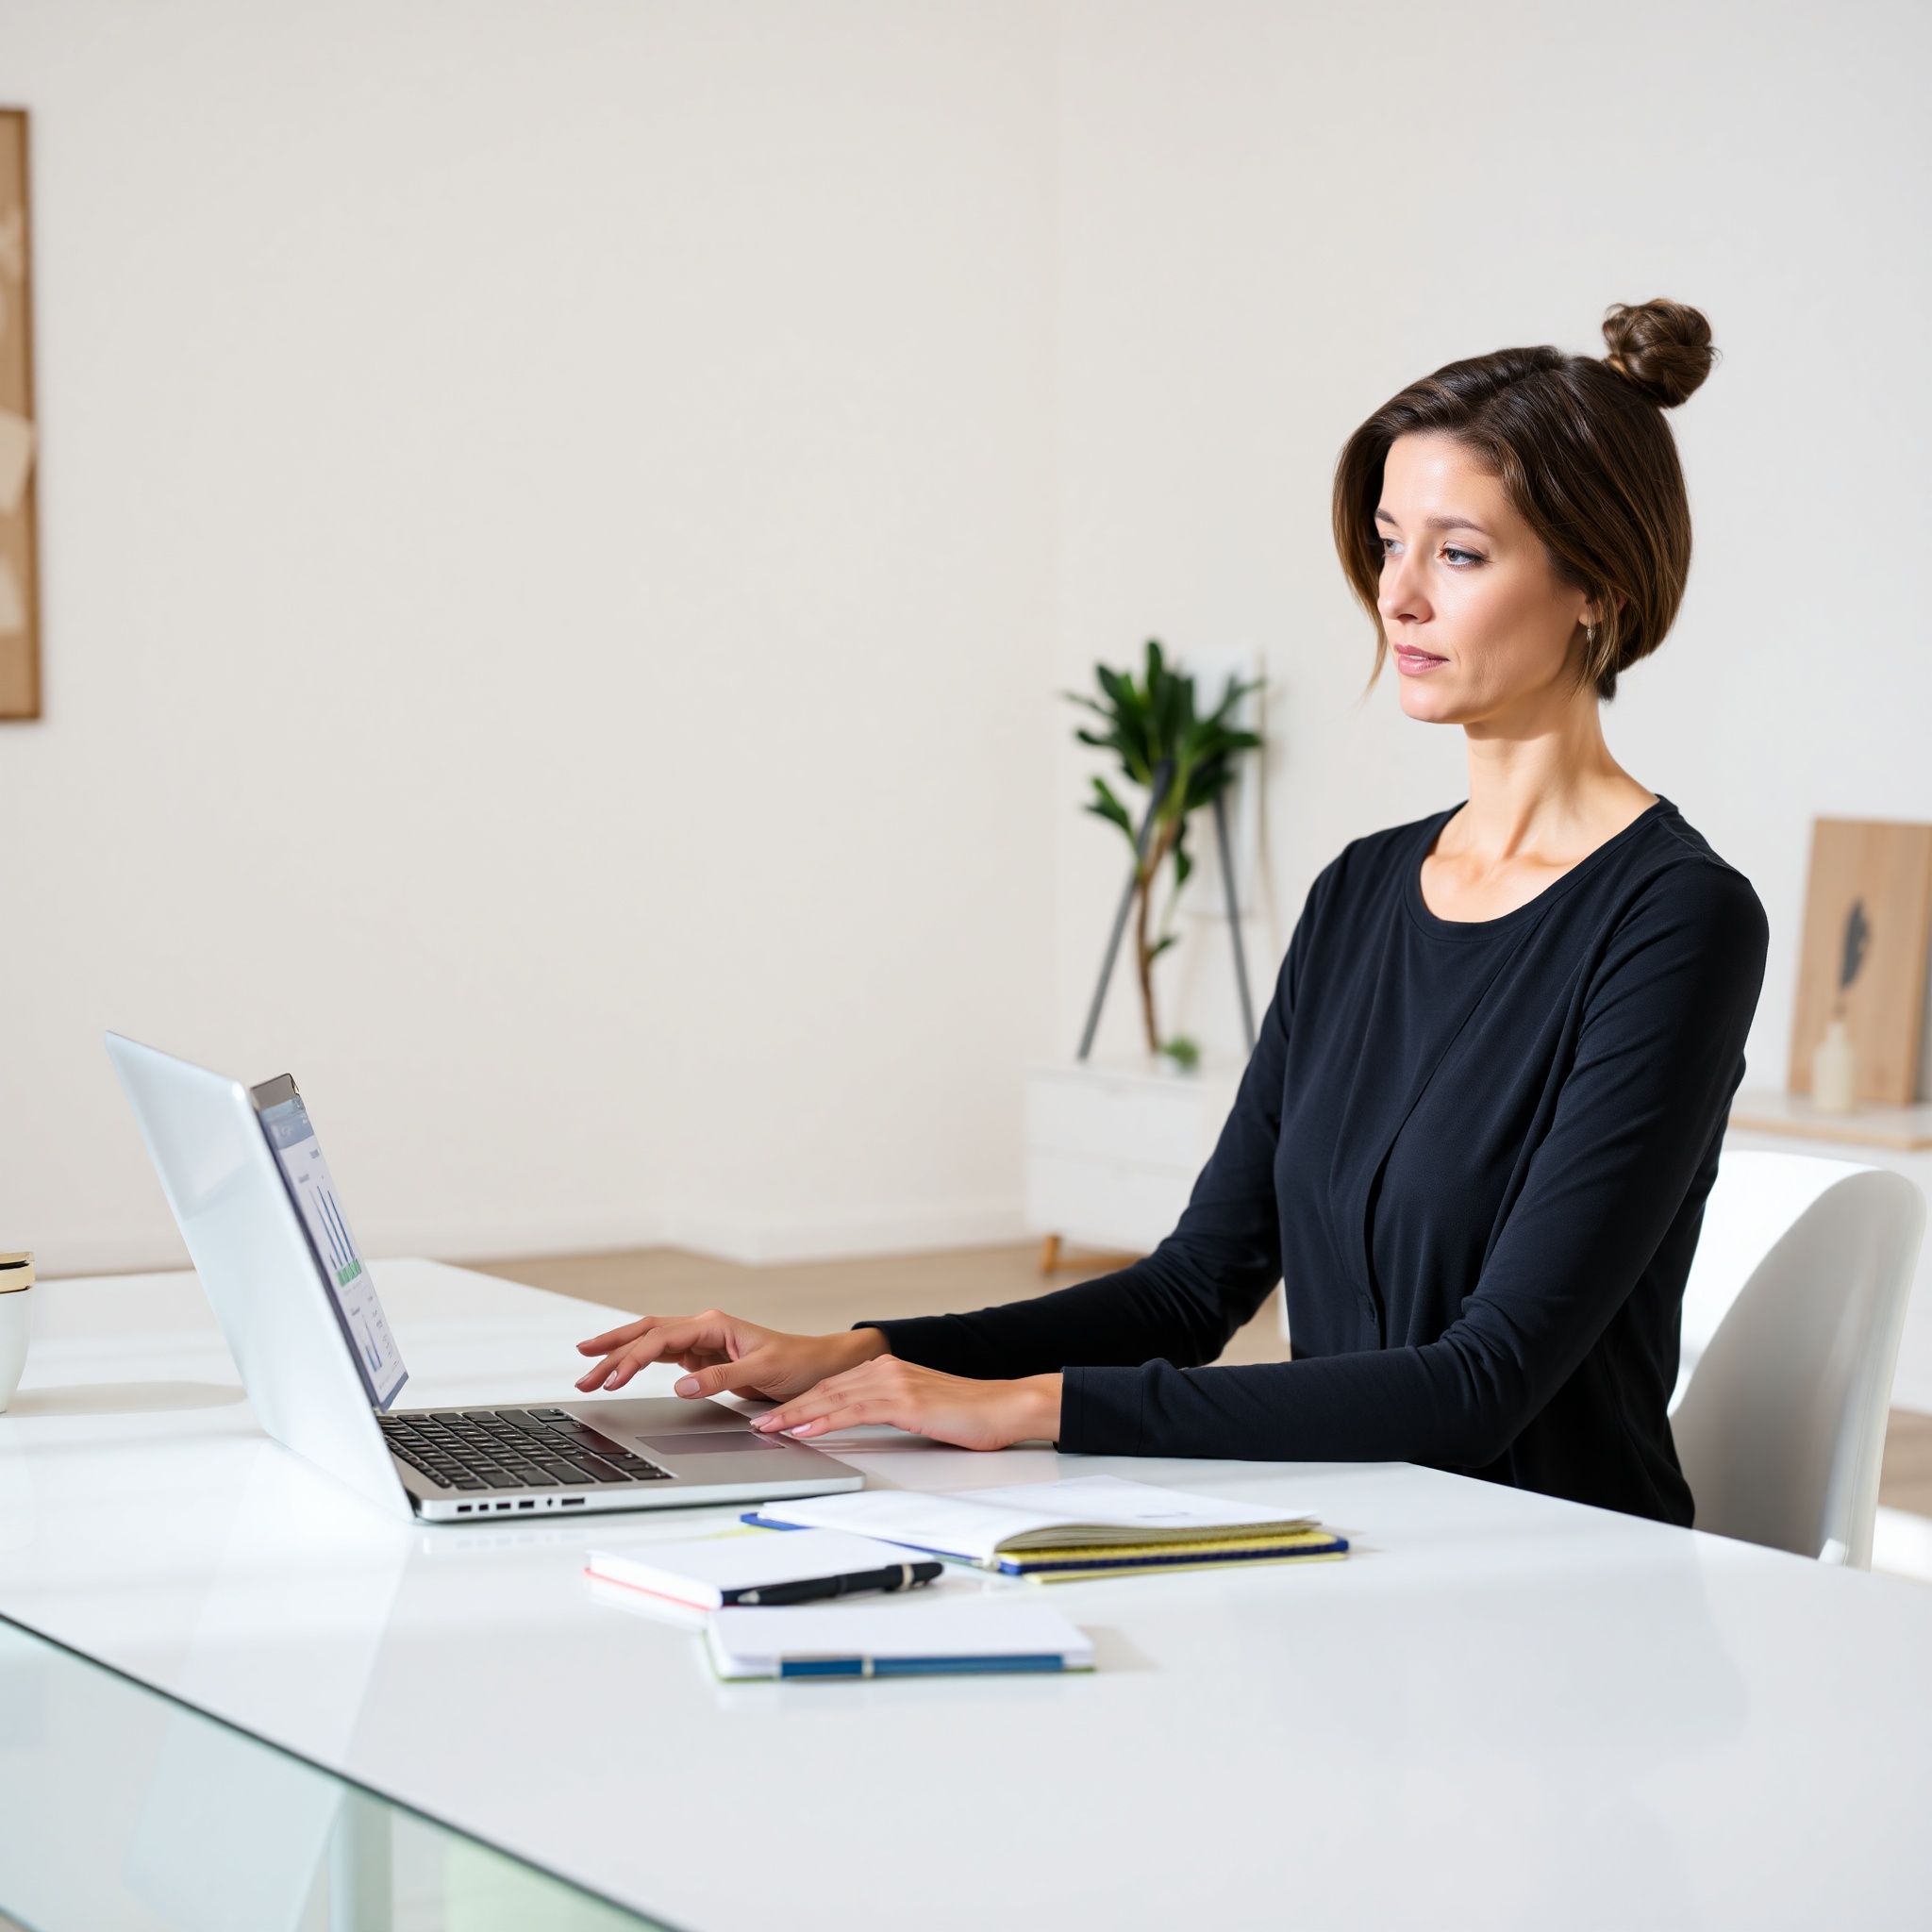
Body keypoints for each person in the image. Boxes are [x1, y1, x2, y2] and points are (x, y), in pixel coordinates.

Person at [575, 299, 1767, 1525]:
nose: (1396, 597)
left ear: (1597, 590)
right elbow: (1193, 1290)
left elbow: (1481, 1386)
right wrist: (847, 1350)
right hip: (1358, 1547)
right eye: (1386, 542)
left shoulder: (1679, 921)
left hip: (1558, 1580)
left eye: (1457, 555)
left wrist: (1033, 1407)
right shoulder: (1362, 891)